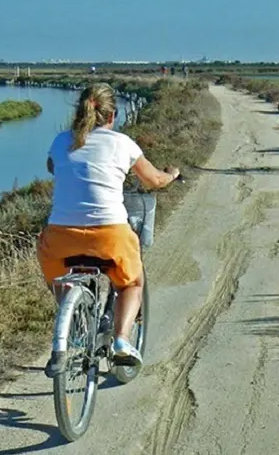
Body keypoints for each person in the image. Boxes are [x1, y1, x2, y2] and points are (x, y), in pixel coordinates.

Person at [40, 83, 180, 375]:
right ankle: (121, 340)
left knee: (57, 277)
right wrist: (171, 174)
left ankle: (74, 319)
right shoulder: (122, 143)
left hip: (60, 238)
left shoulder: (60, 140)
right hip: (109, 236)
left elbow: (52, 167)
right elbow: (153, 181)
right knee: (133, 282)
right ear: (112, 116)